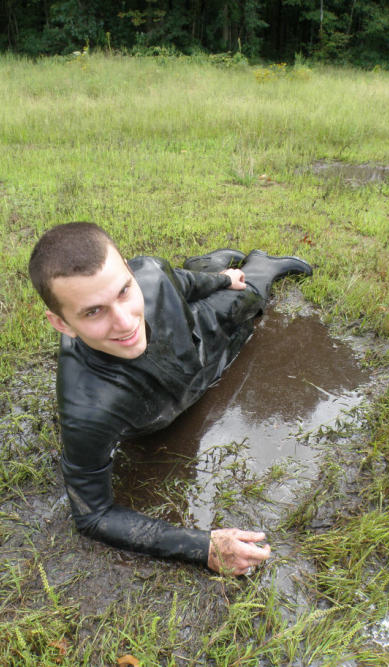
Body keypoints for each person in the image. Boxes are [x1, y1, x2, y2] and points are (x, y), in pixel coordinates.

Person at [28, 222, 312, 575]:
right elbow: (92, 514)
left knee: (250, 295)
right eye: (93, 311)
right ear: (63, 324)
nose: (124, 322)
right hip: (161, 407)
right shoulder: (86, 409)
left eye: (123, 292)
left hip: (198, 337)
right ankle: (225, 263)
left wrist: (224, 280)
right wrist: (201, 547)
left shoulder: (148, 272)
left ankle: (249, 265)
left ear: (131, 274)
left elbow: (180, 283)